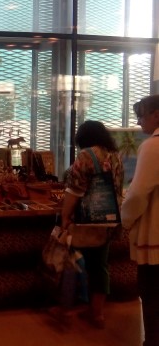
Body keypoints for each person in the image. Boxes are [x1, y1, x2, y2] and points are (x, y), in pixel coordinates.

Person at [60, 120, 124, 329]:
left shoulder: (86, 155)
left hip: (86, 221)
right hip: (108, 220)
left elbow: (75, 190)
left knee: (73, 263)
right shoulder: (115, 156)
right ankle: (97, 313)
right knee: (100, 267)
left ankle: (68, 308)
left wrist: (65, 216)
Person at [121, 94, 159, 346]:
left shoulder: (153, 146)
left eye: (141, 116)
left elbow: (138, 193)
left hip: (155, 233)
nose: (138, 122)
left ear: (157, 115)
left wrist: (125, 219)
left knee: (153, 296)